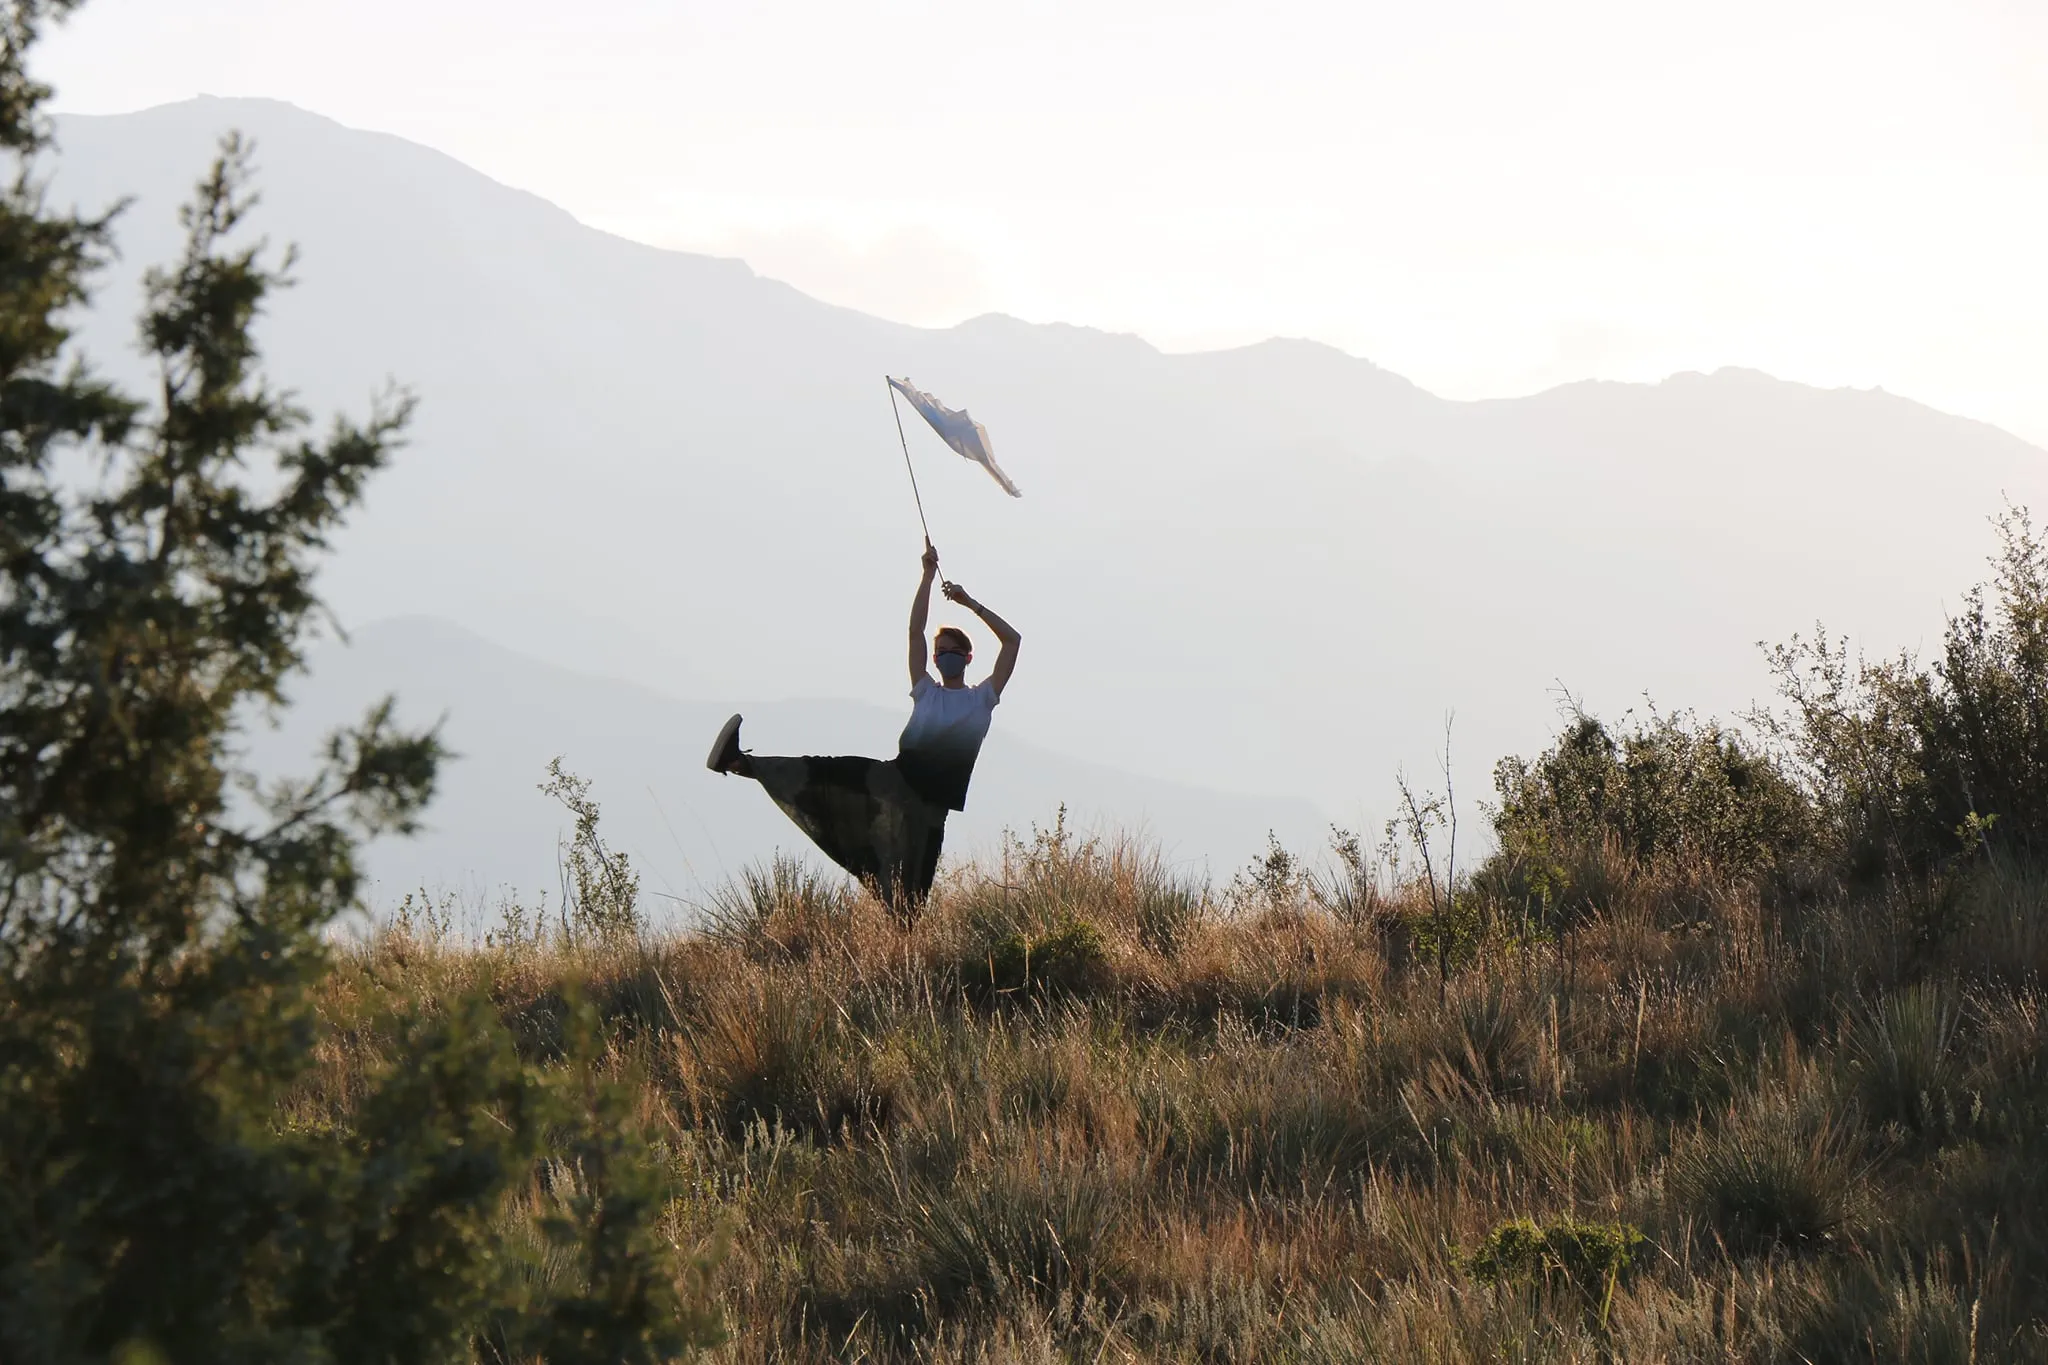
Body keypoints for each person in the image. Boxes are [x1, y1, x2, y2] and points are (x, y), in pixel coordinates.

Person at [705, 540, 1021, 912]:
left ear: (968, 658)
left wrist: (970, 603)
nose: (945, 657)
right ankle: (738, 762)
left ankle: (902, 955)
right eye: (941, 653)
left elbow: (1012, 641)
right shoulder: (925, 690)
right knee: (822, 772)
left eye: (953, 652)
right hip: (893, 780)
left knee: (910, 893)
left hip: (930, 809)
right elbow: (915, 632)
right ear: (934, 660)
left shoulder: (981, 699)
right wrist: (926, 576)